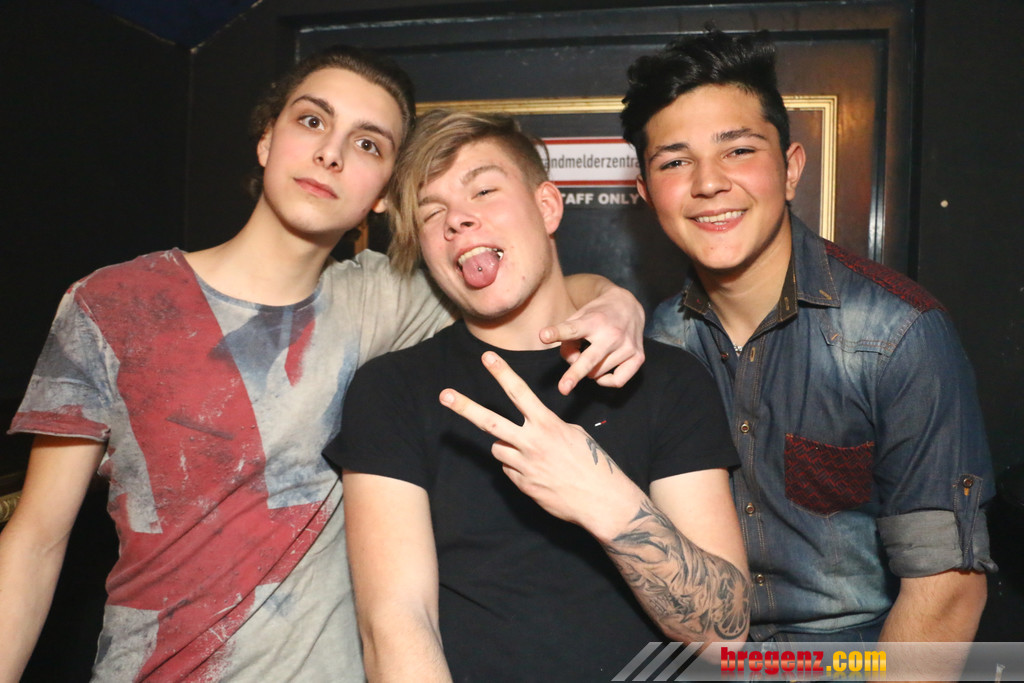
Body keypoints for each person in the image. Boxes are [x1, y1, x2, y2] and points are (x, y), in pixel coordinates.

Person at [0, 46, 647, 682]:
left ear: (383, 196)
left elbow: (527, 285)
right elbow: (35, 543)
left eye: (367, 144)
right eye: (312, 120)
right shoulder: (114, 303)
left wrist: (613, 303)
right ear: (266, 139)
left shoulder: (386, 299)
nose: (331, 153)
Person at [326, 109, 750, 682]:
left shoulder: (666, 379)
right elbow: (397, 624)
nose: (457, 219)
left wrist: (604, 501)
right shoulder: (392, 390)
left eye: (483, 190)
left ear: (547, 206)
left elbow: (724, 633)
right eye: (432, 213)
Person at [620, 28, 996, 646]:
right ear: (644, 192)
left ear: (791, 168)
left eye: (739, 150)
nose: (708, 182)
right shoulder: (652, 343)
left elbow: (947, 590)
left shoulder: (896, 332)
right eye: (675, 162)